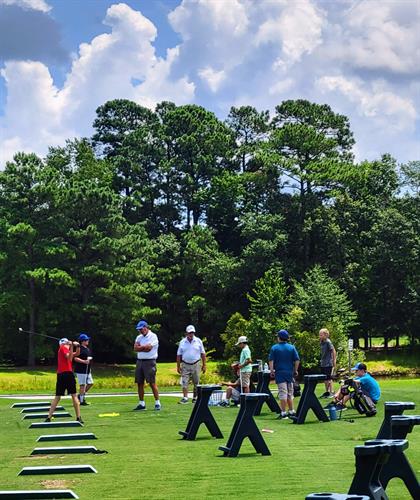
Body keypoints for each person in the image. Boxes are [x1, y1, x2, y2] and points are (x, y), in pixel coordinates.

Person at [45, 337, 83, 423]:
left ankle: (49, 417)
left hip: (62, 374)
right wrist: (72, 346)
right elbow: (69, 358)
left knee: (58, 396)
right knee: (73, 395)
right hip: (67, 374)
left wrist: (78, 346)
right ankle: (78, 417)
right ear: (64, 344)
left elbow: (76, 354)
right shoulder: (63, 348)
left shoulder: (65, 349)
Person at [269, 329, 300, 419]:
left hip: (280, 372)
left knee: (283, 393)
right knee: (290, 392)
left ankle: (283, 412)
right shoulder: (291, 347)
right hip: (289, 373)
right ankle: (291, 410)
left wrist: (271, 370)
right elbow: (297, 360)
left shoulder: (274, 348)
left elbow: (271, 360)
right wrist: (295, 370)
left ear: (279, 338)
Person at [133, 320, 161, 411]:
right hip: (140, 361)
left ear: (146, 327)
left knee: (152, 383)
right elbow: (135, 348)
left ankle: (157, 402)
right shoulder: (139, 337)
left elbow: (149, 349)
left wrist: (141, 347)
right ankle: (141, 403)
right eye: (139, 330)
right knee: (139, 382)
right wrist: (143, 347)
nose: (140, 331)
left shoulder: (153, 336)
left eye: (141, 329)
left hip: (150, 361)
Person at [176, 324, 207, 404]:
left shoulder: (198, 341)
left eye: (192, 332)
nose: (191, 334)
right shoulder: (182, 342)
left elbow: (203, 353)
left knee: (196, 382)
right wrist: (178, 366)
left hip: (196, 364)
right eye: (190, 333)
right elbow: (179, 355)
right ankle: (185, 397)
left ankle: (195, 397)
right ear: (186, 333)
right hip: (185, 364)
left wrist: (204, 365)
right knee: (184, 382)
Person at [73, 333, 93, 406]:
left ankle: (80, 395)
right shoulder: (80, 349)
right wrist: (84, 361)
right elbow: (75, 358)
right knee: (82, 385)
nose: (88, 341)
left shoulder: (87, 349)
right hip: (81, 370)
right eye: (87, 340)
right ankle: (81, 400)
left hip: (87, 370)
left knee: (90, 383)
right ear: (83, 341)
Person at [319, 328, 336, 398]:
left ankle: (330, 392)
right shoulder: (321, 342)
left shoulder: (328, 342)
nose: (320, 336)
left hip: (328, 363)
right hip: (323, 363)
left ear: (326, 335)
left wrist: (333, 361)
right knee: (326, 378)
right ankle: (328, 391)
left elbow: (333, 351)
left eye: (321, 335)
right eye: (319, 335)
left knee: (328, 378)